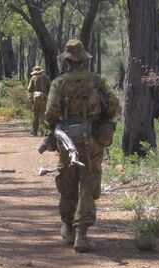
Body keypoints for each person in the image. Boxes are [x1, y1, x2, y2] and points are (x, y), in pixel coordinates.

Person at [44, 39, 119, 253]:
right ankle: (82, 235)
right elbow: (113, 104)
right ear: (84, 59)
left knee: (67, 183)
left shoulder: (58, 83)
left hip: (67, 140)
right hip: (93, 140)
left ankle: (67, 227)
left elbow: (50, 114)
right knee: (88, 183)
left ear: (67, 60)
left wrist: (53, 129)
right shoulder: (97, 81)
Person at [27, 66, 51, 136]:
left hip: (36, 98)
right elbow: (50, 88)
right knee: (43, 115)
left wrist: (30, 99)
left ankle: (34, 132)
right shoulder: (46, 78)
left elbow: (29, 89)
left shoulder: (33, 78)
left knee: (35, 115)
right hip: (44, 98)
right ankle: (43, 131)